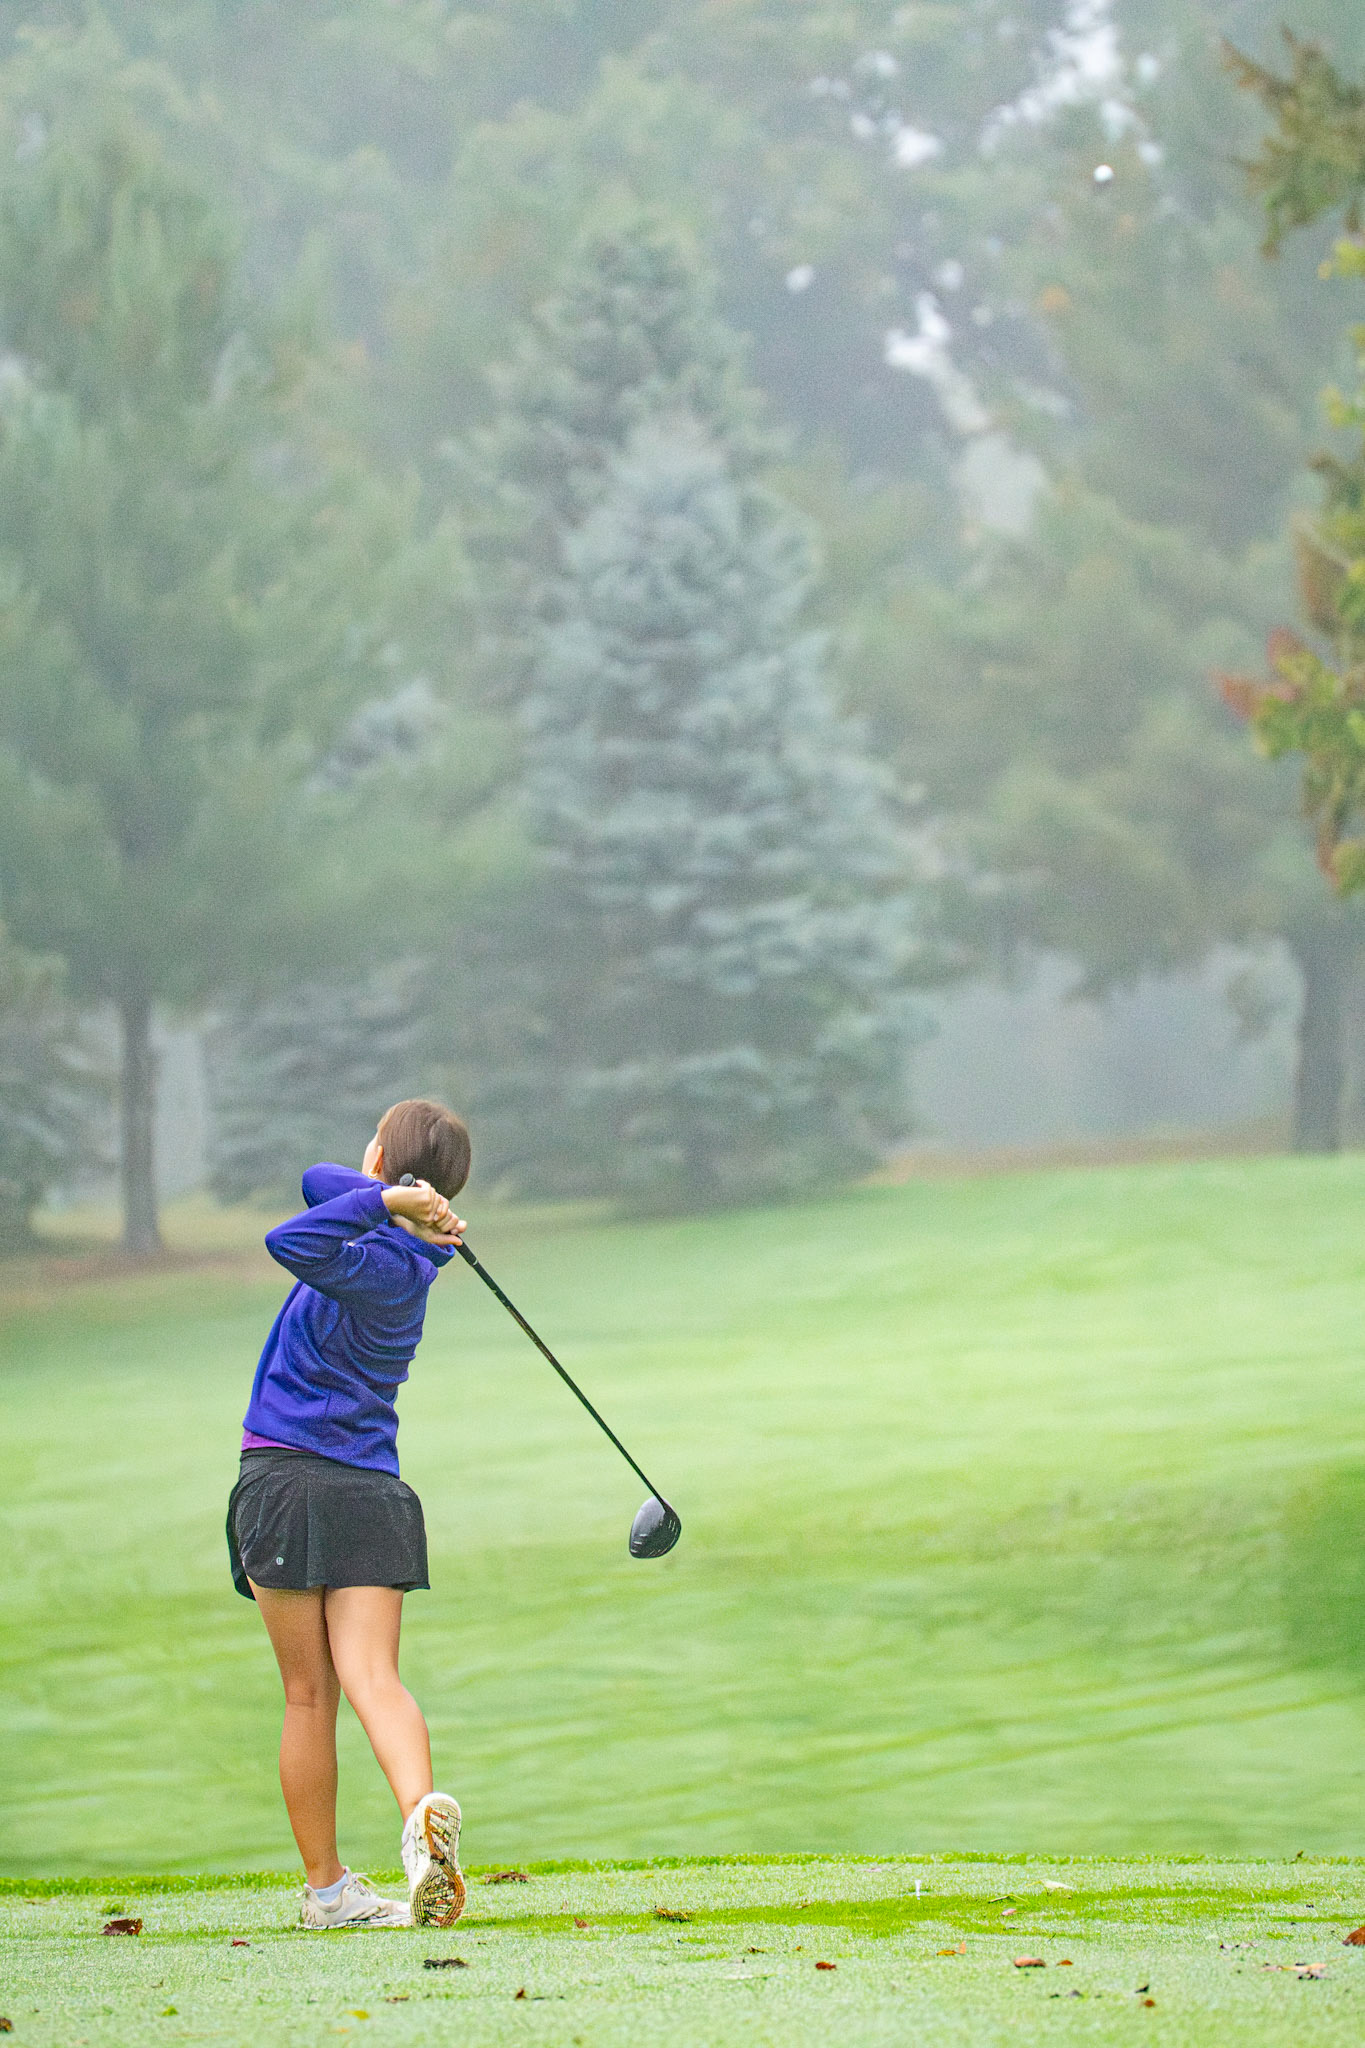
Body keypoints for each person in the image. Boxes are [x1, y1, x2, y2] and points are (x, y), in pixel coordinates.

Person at [226, 1097, 471, 1930]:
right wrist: (401, 1200)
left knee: (307, 1696)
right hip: (368, 1492)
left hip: (287, 1481)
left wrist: (384, 1196)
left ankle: (328, 1891)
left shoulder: (369, 1262)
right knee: (374, 1676)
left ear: (381, 1164)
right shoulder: (412, 1259)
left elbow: (287, 1239)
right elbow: (314, 1180)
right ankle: (420, 1822)